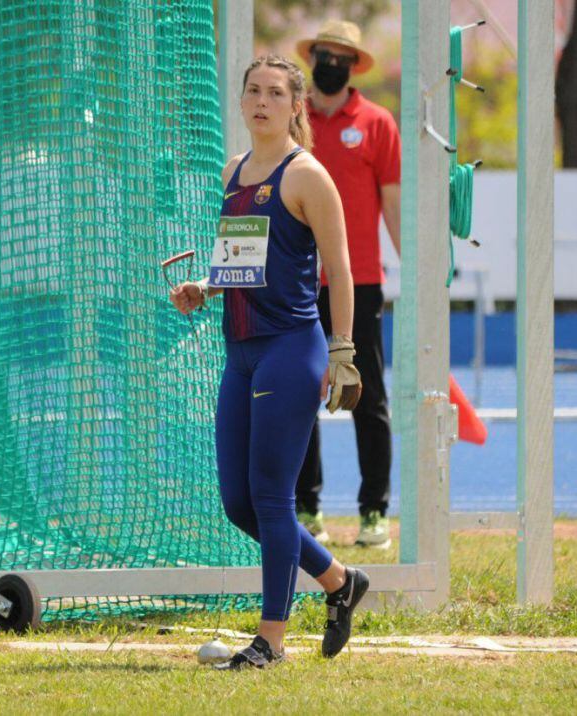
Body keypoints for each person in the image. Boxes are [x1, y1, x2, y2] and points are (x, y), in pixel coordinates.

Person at [169, 55, 369, 671]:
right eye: (252, 90)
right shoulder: (233, 172)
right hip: (241, 353)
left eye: (274, 93)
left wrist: (342, 351)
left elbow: (340, 268)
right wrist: (205, 287)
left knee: (273, 497)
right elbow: (242, 264)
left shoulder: (307, 175)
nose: (261, 101)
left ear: (294, 106)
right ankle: (339, 582)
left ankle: (272, 641)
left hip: (292, 350)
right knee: (238, 503)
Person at [294, 21, 402, 548]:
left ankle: (374, 512)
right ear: (312, 58)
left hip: (360, 282)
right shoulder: (295, 124)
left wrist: (421, 271)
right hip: (297, 282)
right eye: (323, 54)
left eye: (341, 57)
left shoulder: (378, 124)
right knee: (298, 394)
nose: (331, 63)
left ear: (354, 65)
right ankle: (306, 507)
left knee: (367, 393)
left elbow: (395, 205)